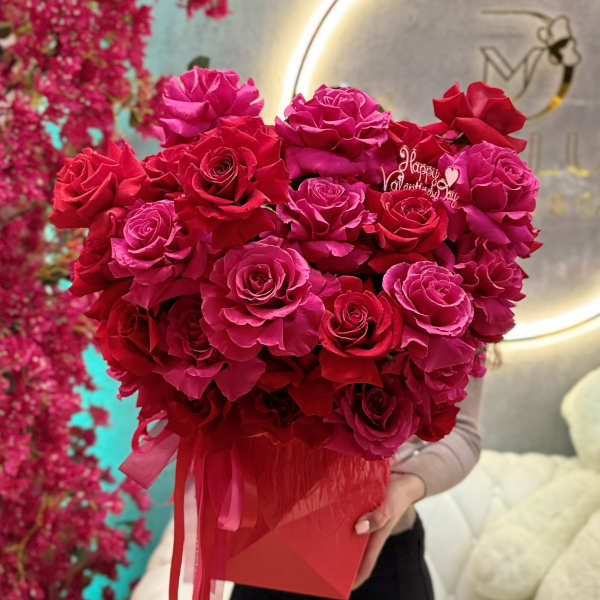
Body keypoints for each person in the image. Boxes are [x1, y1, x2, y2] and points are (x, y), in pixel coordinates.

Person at [231, 377, 484, 600]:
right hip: (266, 549)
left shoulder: (461, 336)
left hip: (380, 551)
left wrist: (403, 488)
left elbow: (461, 432)